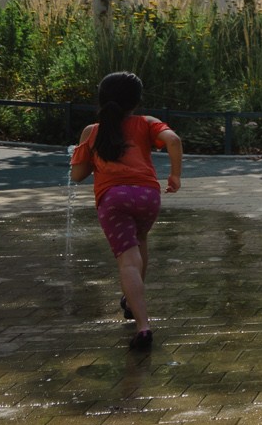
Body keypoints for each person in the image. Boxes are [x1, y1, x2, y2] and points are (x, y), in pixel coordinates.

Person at [69, 71, 182, 350]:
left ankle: (143, 327)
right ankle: (130, 302)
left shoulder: (92, 131)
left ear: (102, 99)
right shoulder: (147, 123)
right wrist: (175, 176)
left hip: (114, 199)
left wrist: (89, 157)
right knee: (140, 242)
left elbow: (77, 176)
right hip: (147, 196)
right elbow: (174, 140)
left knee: (127, 261)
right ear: (137, 100)